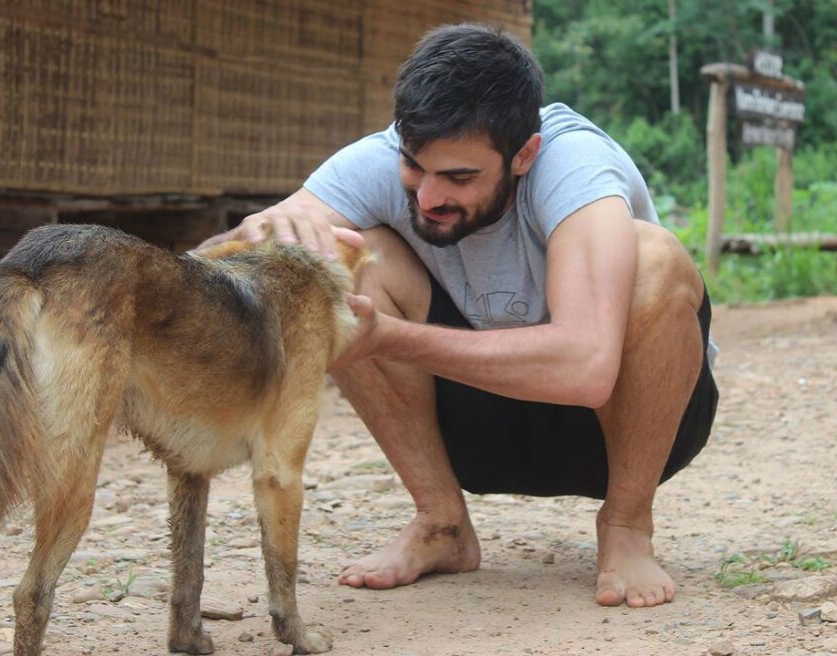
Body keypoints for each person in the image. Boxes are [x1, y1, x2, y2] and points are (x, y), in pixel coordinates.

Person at [199, 23, 718, 608]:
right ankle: (441, 524)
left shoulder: (576, 166)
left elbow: (587, 369)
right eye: (415, 167)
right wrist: (255, 239)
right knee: (341, 260)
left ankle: (627, 526)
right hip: (474, 427)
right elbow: (229, 259)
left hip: (625, 427)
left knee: (658, 258)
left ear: (524, 154)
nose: (427, 197)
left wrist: (391, 338)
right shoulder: (377, 159)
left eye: (460, 178)